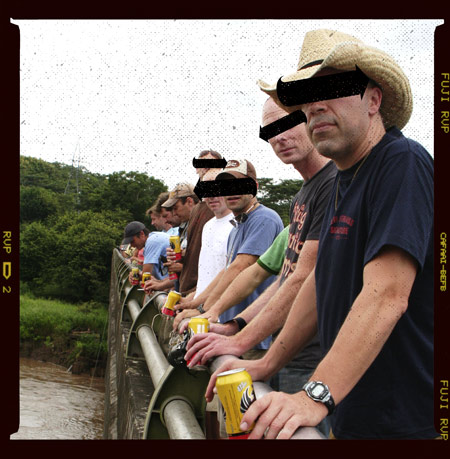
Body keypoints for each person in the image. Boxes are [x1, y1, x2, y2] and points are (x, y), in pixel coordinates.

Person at [207, 29, 435, 440]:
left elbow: (387, 294)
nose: (315, 106)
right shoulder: (342, 182)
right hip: (352, 416)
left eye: (333, 88)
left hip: (407, 423)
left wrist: (314, 395)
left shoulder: (401, 163)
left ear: (373, 99)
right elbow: (315, 283)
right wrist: (265, 364)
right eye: (306, 98)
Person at [184, 98, 336, 437]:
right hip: (287, 347)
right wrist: (234, 325)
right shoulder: (303, 196)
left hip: (315, 354)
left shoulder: (334, 185)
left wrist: (240, 341)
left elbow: (297, 278)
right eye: (270, 131)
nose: (279, 137)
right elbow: (284, 279)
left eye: (288, 123)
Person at [173, 159, 284, 354]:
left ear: (255, 187)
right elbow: (225, 272)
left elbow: (240, 267)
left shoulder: (264, 219)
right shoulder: (236, 227)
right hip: (230, 329)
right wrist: (195, 303)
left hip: (254, 337)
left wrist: (204, 310)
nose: (232, 192)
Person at [192, 169, 234, 298]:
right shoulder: (208, 225)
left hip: (219, 311)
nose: (212, 196)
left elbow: (231, 275)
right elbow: (207, 274)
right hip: (201, 306)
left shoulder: (237, 224)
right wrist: (191, 300)